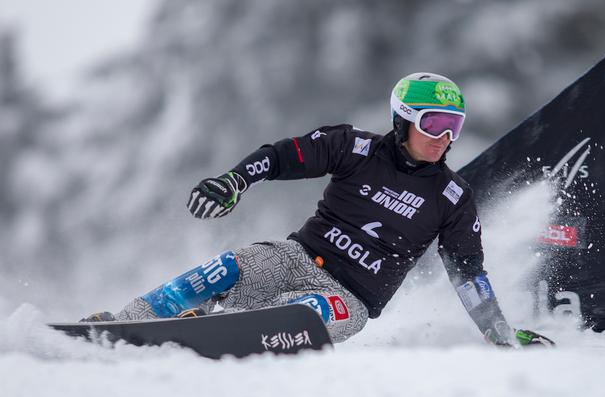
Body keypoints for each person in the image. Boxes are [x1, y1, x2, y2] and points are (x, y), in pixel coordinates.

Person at [83, 72, 553, 347]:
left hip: (350, 300)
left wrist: (501, 335)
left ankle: (210, 326)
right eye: (434, 123)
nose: (444, 137)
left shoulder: (452, 197)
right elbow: (282, 155)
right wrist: (234, 181)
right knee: (223, 269)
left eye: (454, 126)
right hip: (295, 257)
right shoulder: (354, 148)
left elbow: (468, 272)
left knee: (299, 315)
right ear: (403, 119)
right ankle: (126, 322)